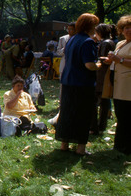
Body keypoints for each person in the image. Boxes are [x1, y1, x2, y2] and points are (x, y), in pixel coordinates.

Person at [56, 13, 101, 156]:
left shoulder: (72, 39)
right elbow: (89, 65)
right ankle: (80, 148)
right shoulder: (88, 42)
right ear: (90, 26)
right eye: (95, 25)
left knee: (67, 113)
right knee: (83, 115)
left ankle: (65, 144)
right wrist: (100, 64)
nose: (96, 28)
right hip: (82, 84)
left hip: (68, 82)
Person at [104, 15, 131, 154]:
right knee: (121, 115)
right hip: (118, 85)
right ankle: (119, 145)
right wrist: (110, 60)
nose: (129, 30)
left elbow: (122, 60)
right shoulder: (121, 43)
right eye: (126, 27)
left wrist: (118, 60)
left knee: (127, 116)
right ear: (121, 29)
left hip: (128, 86)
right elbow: (116, 59)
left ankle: (126, 147)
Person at [91, 24, 115, 134]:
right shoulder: (109, 42)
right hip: (104, 76)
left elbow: (102, 59)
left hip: (101, 76)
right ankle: (100, 126)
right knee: (104, 102)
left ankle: (97, 127)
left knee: (99, 102)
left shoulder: (105, 43)